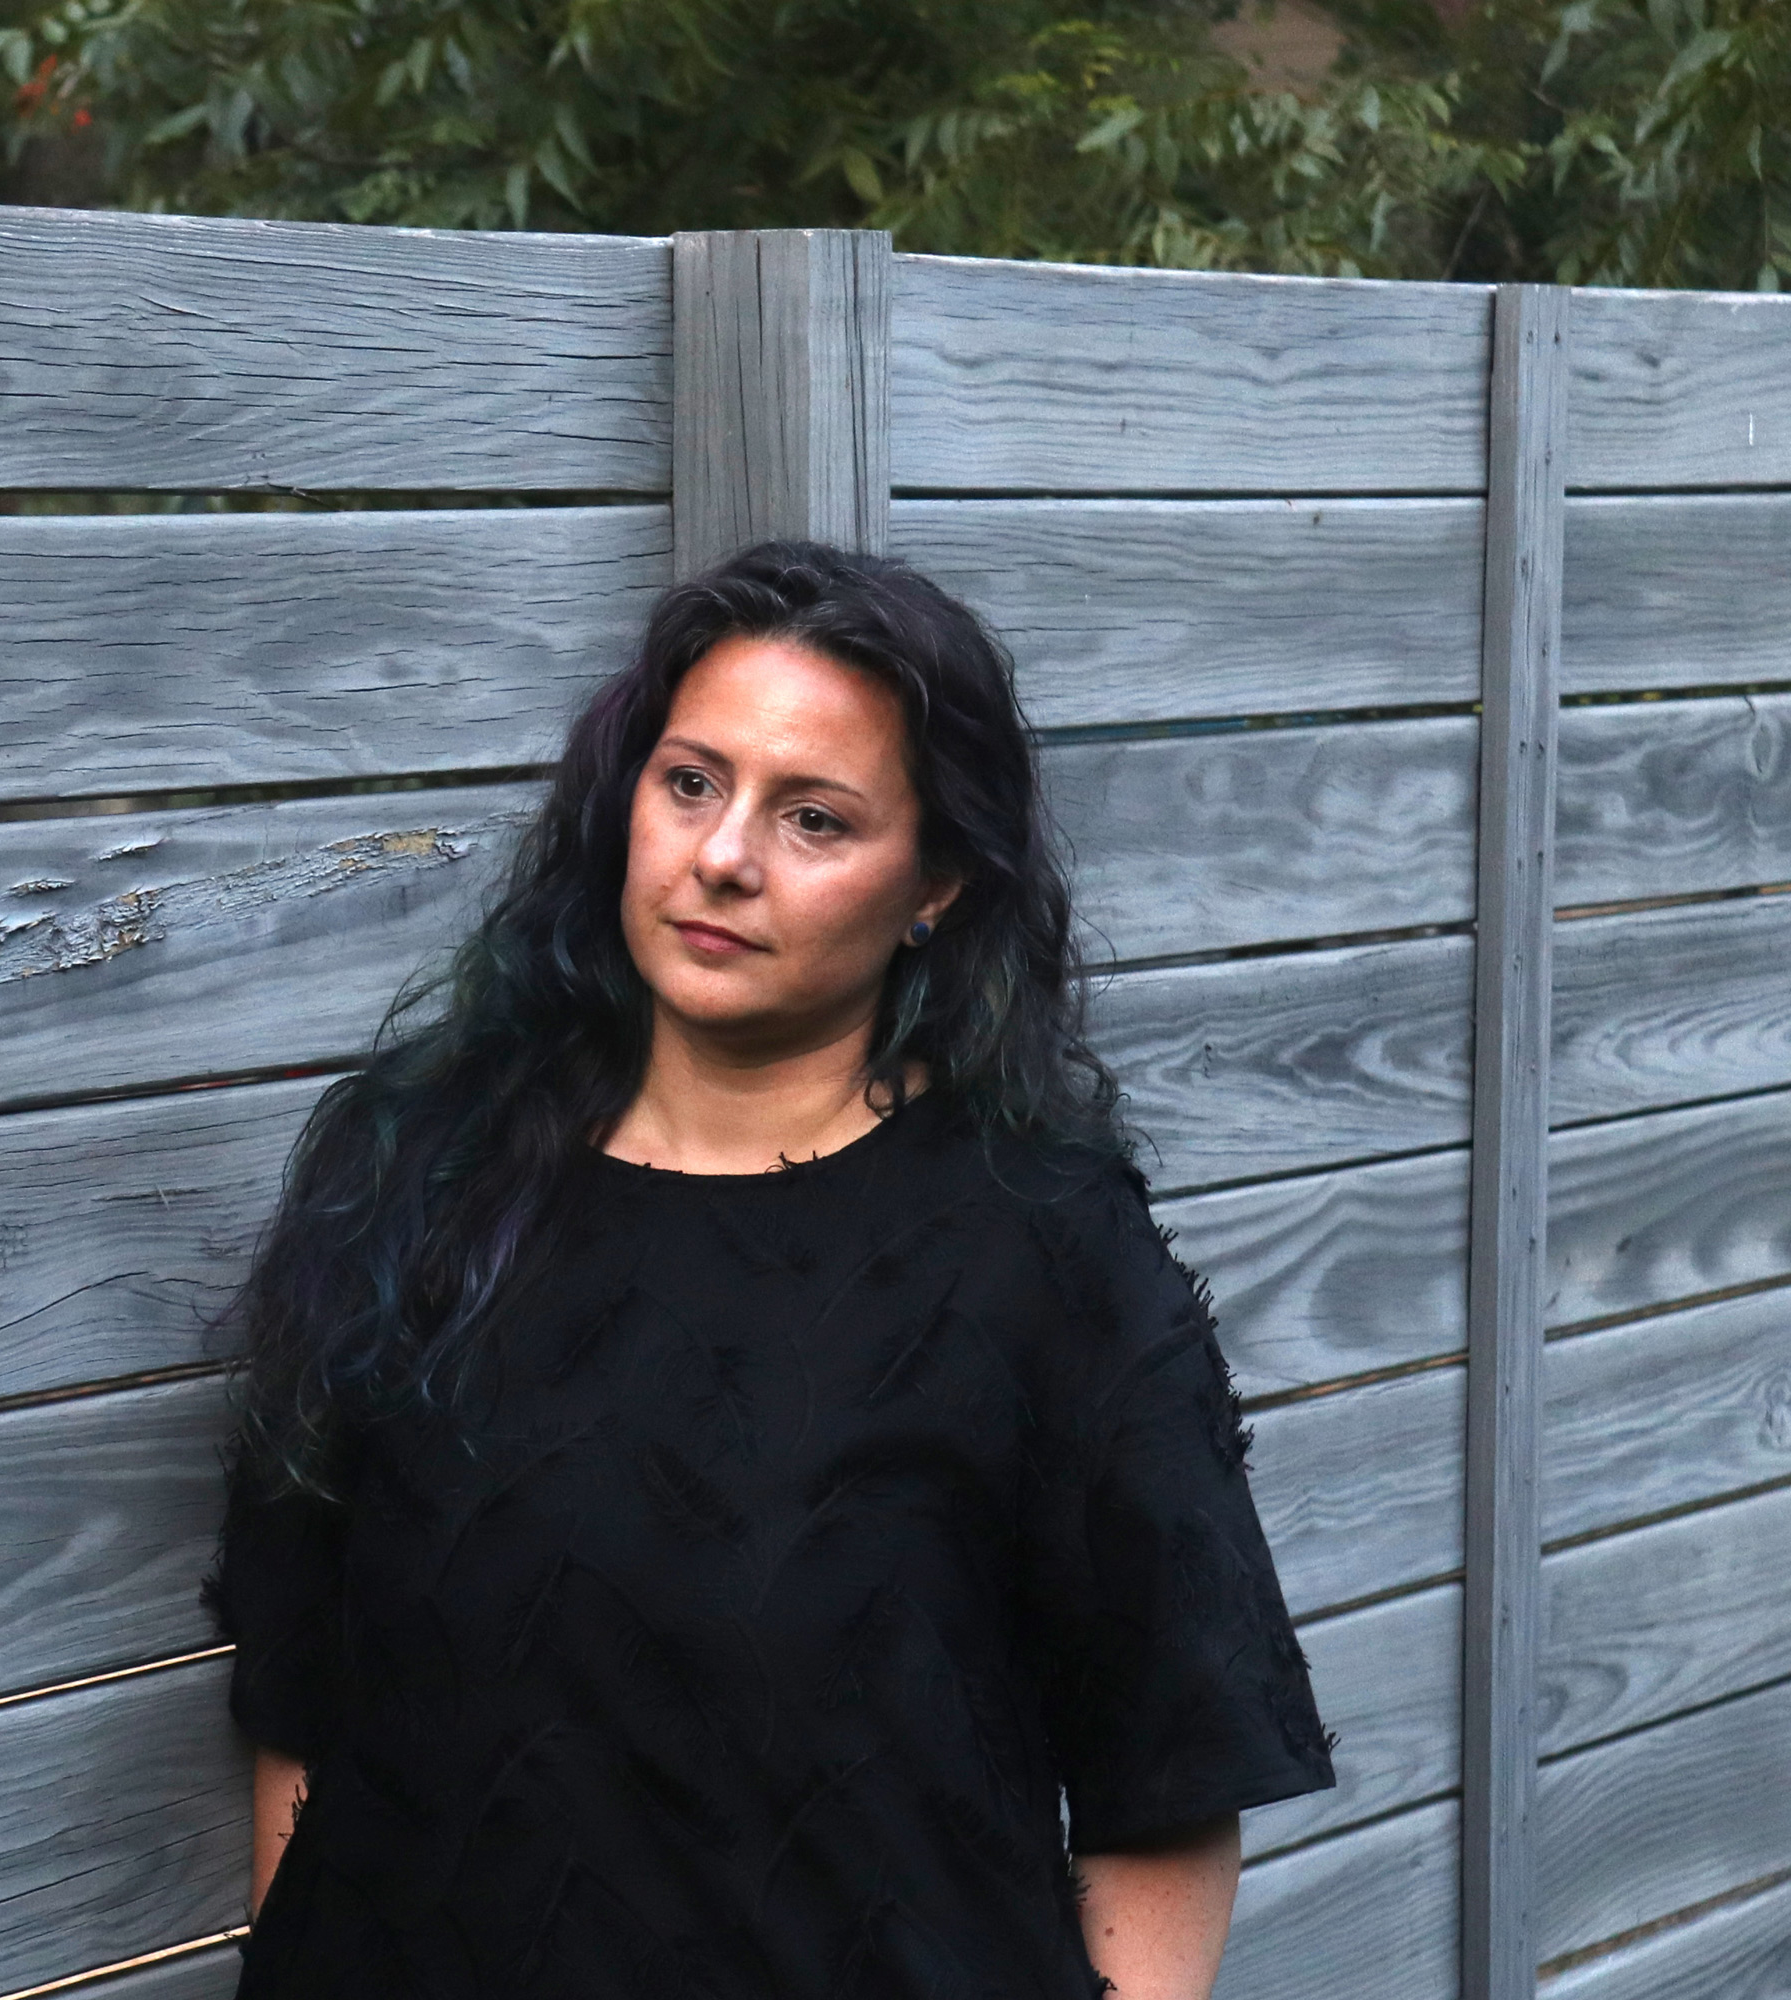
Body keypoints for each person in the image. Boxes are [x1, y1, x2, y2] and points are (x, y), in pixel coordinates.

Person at [196, 539, 1339, 1999]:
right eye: (691, 782)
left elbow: (1167, 1774)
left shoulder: (1044, 1252)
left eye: (814, 818)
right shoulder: (421, 1178)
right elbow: (301, 1699)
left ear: (936, 884)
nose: (722, 855)